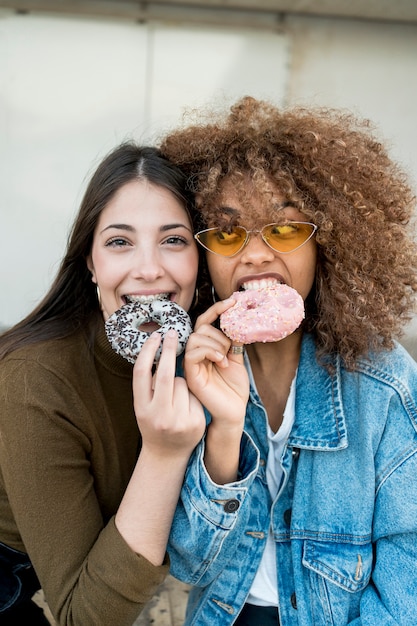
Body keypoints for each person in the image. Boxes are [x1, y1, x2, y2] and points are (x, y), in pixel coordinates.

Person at [158, 96, 417, 625]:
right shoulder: (189, 374)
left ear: (329, 247)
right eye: (228, 233)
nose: (254, 254)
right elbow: (187, 564)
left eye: (284, 229)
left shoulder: (384, 382)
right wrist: (225, 428)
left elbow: (408, 567)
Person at [0, 143, 208, 625]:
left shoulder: (206, 351)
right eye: (120, 242)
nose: (148, 268)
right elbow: (84, 616)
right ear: (90, 262)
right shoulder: (36, 379)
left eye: (173, 240)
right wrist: (164, 453)